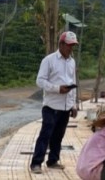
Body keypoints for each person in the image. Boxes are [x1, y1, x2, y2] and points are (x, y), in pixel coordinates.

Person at [29, 31, 79, 174]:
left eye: (73, 46)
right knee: (46, 133)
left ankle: (53, 161)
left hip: (65, 106)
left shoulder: (72, 62)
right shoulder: (49, 60)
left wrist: (73, 104)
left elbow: (73, 82)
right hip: (51, 105)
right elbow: (40, 81)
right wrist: (57, 89)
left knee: (59, 135)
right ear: (61, 44)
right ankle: (36, 163)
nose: (71, 49)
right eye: (69, 45)